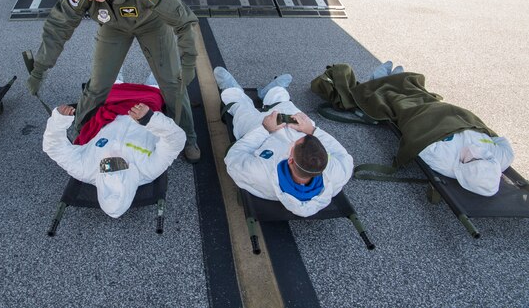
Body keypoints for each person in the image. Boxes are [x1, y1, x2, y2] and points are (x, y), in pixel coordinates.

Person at [27, 0, 201, 163]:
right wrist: (40, 69)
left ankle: (188, 137)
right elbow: (58, 27)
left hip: (151, 26)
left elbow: (184, 21)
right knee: (98, 85)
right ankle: (82, 130)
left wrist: (189, 61)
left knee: (172, 83)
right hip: (113, 27)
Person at [215, 67, 353, 217]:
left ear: (291, 159)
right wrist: (311, 130)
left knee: (243, 112)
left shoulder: (260, 172)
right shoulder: (338, 172)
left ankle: (232, 91)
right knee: (289, 108)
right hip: (289, 127)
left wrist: (265, 129)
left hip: (259, 134)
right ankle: (274, 92)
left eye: (295, 145)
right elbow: (341, 154)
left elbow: (234, 156)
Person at [42, 73, 185, 218]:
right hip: (148, 102)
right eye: (120, 164)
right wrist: (150, 119)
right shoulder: (149, 169)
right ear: (131, 177)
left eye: (107, 166)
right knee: (161, 58)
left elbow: (53, 147)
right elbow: (176, 139)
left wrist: (58, 121)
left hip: (111, 102)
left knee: (111, 57)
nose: (112, 156)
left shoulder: (85, 169)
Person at [368, 61, 515, 196]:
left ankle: (378, 81)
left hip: (426, 116)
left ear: (462, 169)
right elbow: (505, 146)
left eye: (472, 159)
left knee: (401, 102)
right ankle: (399, 79)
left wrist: (436, 124)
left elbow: (420, 139)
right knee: (422, 95)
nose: (474, 150)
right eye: (484, 156)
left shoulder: (443, 161)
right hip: (451, 114)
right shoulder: (499, 157)